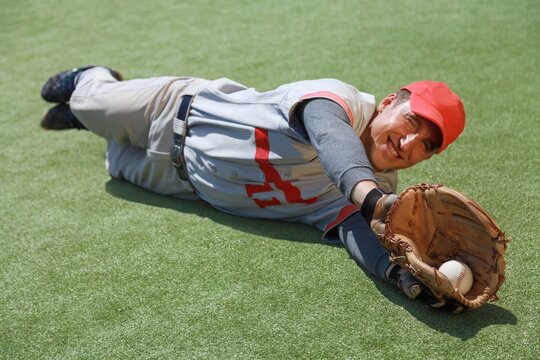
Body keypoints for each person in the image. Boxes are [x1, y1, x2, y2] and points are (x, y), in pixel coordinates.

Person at [40, 66, 465, 306]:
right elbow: (330, 136)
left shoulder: (379, 195)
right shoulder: (344, 103)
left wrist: (398, 274)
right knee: (85, 100)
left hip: (180, 182)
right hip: (170, 108)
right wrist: (367, 195)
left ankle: (91, 123)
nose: (408, 143)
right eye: (411, 123)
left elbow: (355, 231)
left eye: (424, 145)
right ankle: (95, 78)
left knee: (114, 164)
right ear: (389, 103)